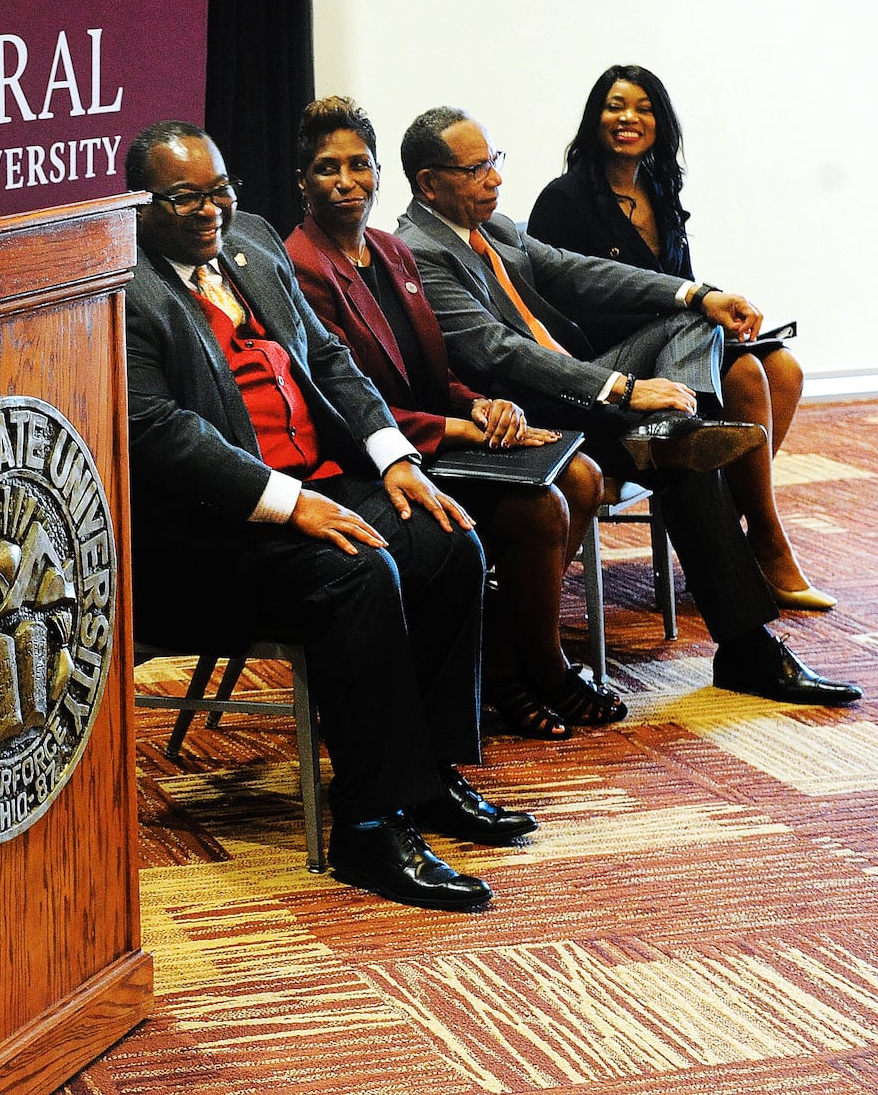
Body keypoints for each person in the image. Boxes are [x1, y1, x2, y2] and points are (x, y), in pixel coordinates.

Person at [125, 119, 537, 916]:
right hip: (213, 536)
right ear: (143, 205)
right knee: (358, 573)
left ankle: (428, 778)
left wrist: (397, 461)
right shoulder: (129, 288)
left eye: (220, 191)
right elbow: (162, 436)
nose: (210, 211)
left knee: (448, 537)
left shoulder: (249, 243)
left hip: (315, 482)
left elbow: (330, 360)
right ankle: (369, 825)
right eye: (185, 198)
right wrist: (292, 502)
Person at [393, 106, 861, 717]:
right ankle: (746, 646)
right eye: (477, 168)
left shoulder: (496, 228)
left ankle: (672, 433)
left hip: (586, 395)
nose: (496, 179)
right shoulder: (419, 250)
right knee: (686, 465)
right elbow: (498, 352)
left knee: (693, 319)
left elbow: (574, 272)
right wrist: (620, 389)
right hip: (531, 416)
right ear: (430, 183)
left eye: (494, 161)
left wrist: (696, 291)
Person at [285, 97, 616, 740]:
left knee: (580, 476)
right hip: (380, 460)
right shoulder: (300, 266)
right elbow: (340, 399)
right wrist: (456, 427)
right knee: (542, 505)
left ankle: (511, 657)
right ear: (303, 181)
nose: (348, 181)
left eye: (360, 165)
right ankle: (533, 668)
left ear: (382, 173)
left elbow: (432, 367)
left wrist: (477, 403)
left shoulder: (389, 250)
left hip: (441, 435)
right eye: (329, 168)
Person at [529, 65, 828, 610]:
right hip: (603, 362)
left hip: (672, 349)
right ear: (595, 118)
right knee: (737, 367)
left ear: (660, 123)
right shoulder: (564, 199)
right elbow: (562, 307)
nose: (628, 118)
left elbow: (676, 281)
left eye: (643, 108)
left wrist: (709, 314)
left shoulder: (661, 188)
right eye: (615, 106)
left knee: (781, 367)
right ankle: (760, 539)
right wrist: (693, 307)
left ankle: (726, 535)